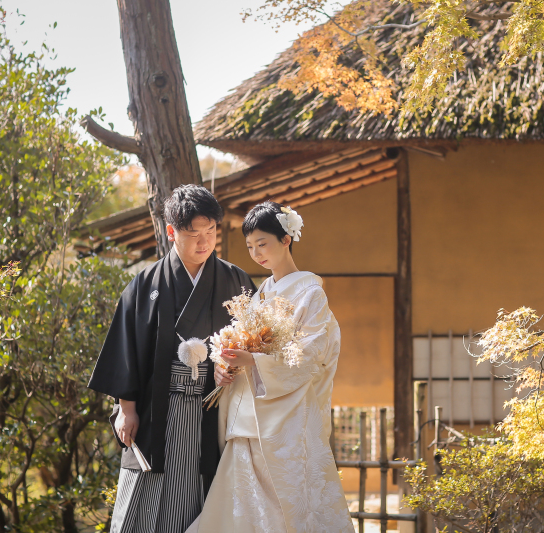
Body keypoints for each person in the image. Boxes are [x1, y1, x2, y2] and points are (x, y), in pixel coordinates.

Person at [88, 185, 256, 533]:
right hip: (157, 409)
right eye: (193, 234)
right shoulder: (145, 283)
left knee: (207, 487)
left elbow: (252, 342)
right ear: (170, 232)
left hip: (215, 406)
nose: (203, 242)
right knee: (149, 492)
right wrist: (127, 408)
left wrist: (232, 366)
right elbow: (127, 348)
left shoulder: (234, 280)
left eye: (210, 232)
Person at [186, 201, 354, 533]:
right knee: (241, 502)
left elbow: (312, 355)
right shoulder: (261, 293)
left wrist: (255, 360)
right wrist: (226, 369)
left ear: (286, 239)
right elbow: (244, 348)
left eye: (262, 243)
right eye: (250, 247)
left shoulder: (310, 293)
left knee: (288, 503)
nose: (256, 253)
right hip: (250, 412)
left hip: (288, 417)